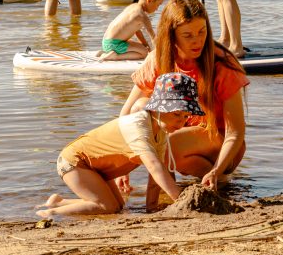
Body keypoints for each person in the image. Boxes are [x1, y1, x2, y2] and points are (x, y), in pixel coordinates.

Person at [120, 0, 248, 189]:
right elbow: (127, 113)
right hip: (181, 142)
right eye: (188, 35)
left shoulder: (222, 64)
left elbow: (236, 132)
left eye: (202, 32)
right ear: (171, 35)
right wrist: (123, 167)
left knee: (166, 145)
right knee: (140, 107)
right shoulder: (159, 58)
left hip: (223, 146)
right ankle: (195, 186)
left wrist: (217, 169)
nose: (197, 41)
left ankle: (217, 177)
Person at [37, 72, 202, 217]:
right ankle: (50, 213)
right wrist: (180, 200)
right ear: (157, 109)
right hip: (75, 162)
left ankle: (58, 202)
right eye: (176, 114)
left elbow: (155, 178)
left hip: (97, 168)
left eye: (186, 116)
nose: (181, 122)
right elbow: (153, 166)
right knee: (106, 207)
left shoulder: (160, 133)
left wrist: (151, 208)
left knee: (118, 207)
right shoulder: (138, 124)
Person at [98, 0, 165, 61]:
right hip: (115, 45)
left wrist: (146, 45)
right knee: (144, 53)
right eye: (158, 5)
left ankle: (106, 51)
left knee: (142, 47)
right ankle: (115, 56)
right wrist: (159, 55)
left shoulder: (132, 7)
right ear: (149, 0)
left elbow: (137, 31)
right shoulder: (142, 16)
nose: (157, 9)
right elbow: (153, 37)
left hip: (106, 42)